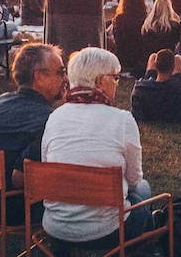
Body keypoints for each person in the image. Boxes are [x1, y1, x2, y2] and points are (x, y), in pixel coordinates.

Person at [40, 48, 154, 245]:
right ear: (100, 81)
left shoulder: (54, 117)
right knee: (143, 188)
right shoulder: (123, 120)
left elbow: (46, 165)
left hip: (56, 227)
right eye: (116, 77)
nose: (118, 84)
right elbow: (134, 179)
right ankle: (144, 248)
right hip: (109, 230)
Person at [0, 44, 67, 224]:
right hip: (12, 206)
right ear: (40, 77)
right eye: (61, 72)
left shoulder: (0, 101)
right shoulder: (48, 119)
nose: (66, 78)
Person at [130, 50, 181, 123]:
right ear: (173, 67)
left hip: (151, 91)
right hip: (172, 93)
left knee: (153, 56)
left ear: (155, 66)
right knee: (178, 58)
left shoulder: (141, 88)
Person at [111, 0, 149, 75]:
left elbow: (117, 39)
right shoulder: (145, 19)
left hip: (122, 59)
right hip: (139, 59)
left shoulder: (119, 19)